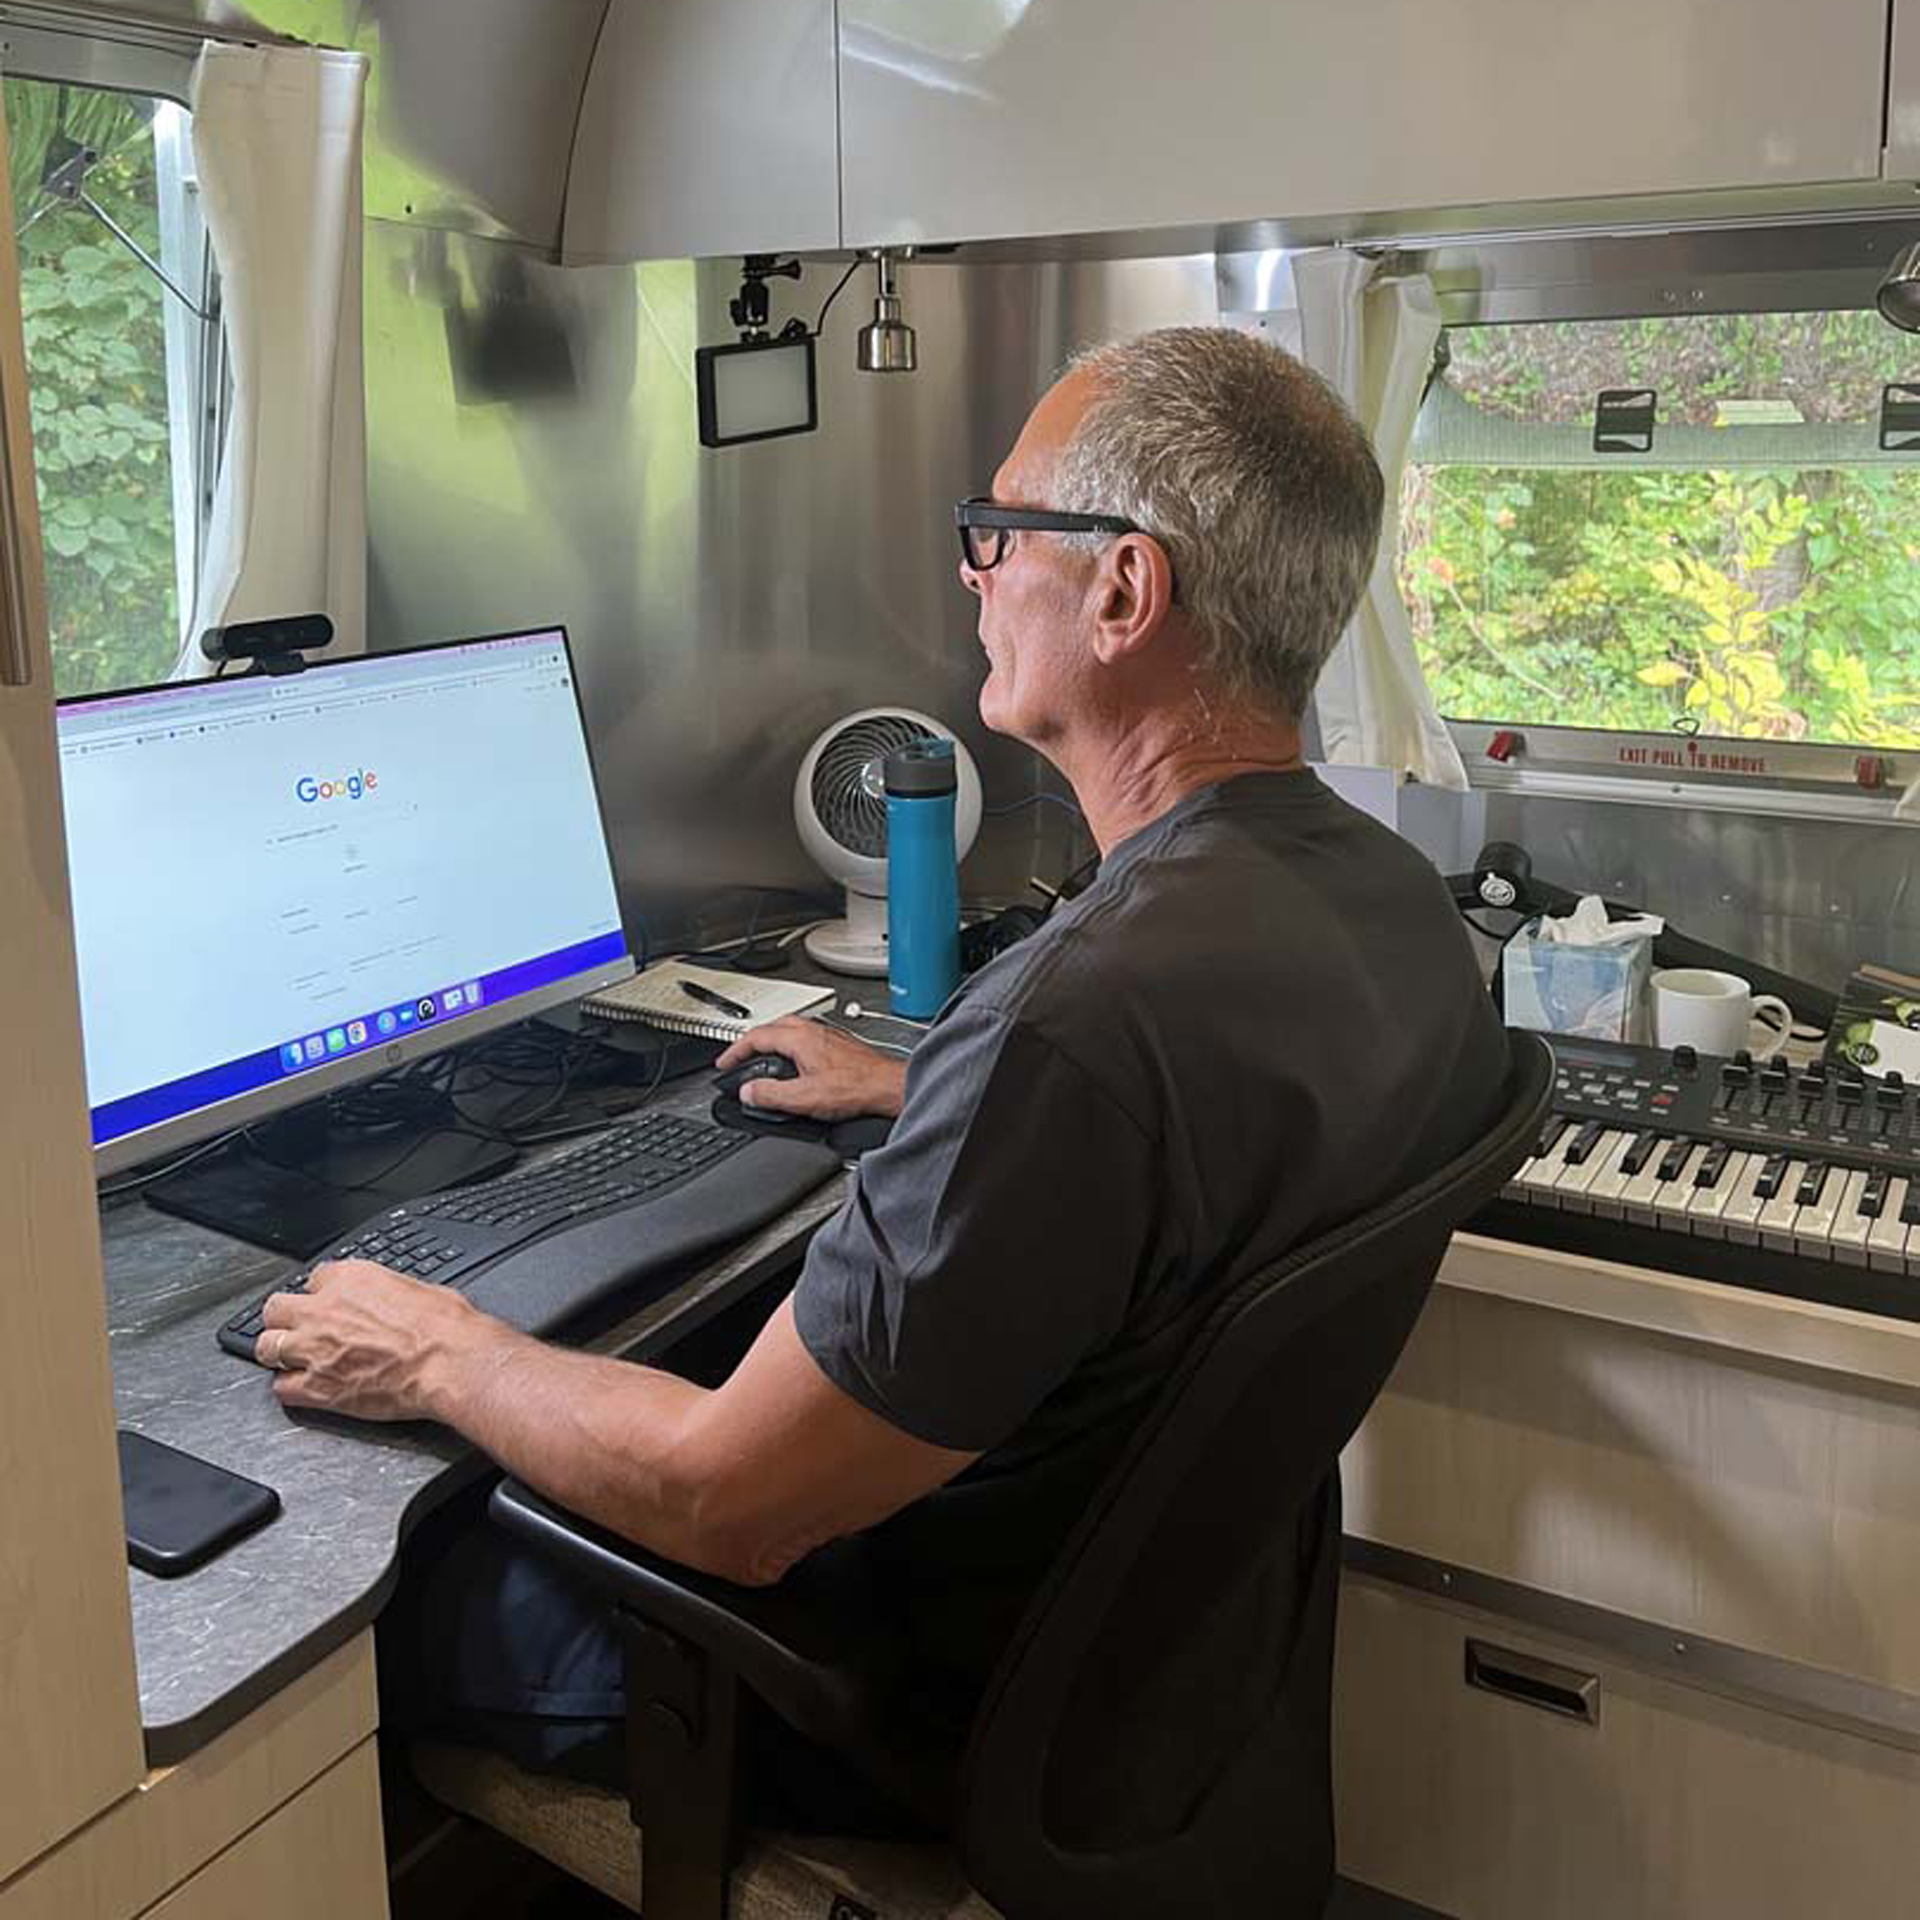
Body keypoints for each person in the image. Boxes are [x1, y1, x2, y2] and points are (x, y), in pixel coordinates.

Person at [254, 325, 1508, 1831]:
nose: (974, 572)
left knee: (365, 1610)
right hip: (1153, 1671)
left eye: (997, 532)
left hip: (898, 1684)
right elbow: (1196, 1152)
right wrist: (924, 1098)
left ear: (1121, 592)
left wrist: (440, 1353)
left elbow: (732, 1504)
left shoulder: (1071, 1030)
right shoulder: (1394, 907)